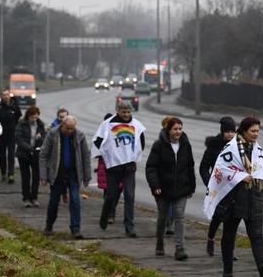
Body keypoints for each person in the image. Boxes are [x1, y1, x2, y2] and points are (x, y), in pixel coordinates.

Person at [204, 116, 263, 277]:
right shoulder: (231, 149)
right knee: (229, 235)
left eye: (258, 131)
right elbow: (221, 169)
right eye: (253, 131)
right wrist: (240, 176)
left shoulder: (258, 150)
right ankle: (227, 271)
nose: (256, 134)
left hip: (254, 198)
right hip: (233, 200)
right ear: (243, 131)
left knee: (257, 235)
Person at [146, 116, 196, 260]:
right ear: (168, 130)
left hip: (181, 188)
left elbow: (190, 166)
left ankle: (179, 248)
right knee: (163, 217)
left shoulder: (186, 145)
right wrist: (155, 185)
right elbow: (151, 167)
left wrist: (191, 187)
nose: (178, 132)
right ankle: (160, 243)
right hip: (163, 189)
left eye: (180, 129)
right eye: (175, 129)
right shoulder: (159, 145)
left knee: (179, 216)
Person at [95, 100, 146, 237]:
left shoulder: (136, 125)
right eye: (123, 112)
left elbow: (141, 142)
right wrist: (109, 155)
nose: (126, 114)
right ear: (118, 111)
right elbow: (98, 141)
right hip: (113, 167)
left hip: (129, 167)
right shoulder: (107, 125)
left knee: (129, 196)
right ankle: (104, 217)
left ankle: (129, 227)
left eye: (128, 112)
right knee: (111, 195)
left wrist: (133, 155)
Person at [40, 115, 91, 238]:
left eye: (72, 129)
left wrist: (86, 176)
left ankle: (75, 229)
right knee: (53, 201)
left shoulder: (80, 136)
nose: (69, 131)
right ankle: (49, 225)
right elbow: (43, 155)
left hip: (73, 174)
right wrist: (44, 176)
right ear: (62, 125)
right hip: (57, 174)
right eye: (67, 128)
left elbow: (85, 156)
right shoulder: (52, 134)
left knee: (75, 200)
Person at [199, 115, 237, 256]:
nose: (230, 134)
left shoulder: (238, 146)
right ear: (222, 131)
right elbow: (203, 167)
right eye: (227, 131)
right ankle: (210, 238)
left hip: (233, 187)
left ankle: (229, 251)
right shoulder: (214, 146)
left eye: (232, 131)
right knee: (218, 216)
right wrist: (209, 182)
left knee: (232, 220)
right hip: (217, 187)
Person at [15, 106, 46, 207]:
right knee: (25, 176)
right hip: (24, 153)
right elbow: (18, 139)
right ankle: (26, 198)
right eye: (32, 117)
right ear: (28, 116)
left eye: (36, 117)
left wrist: (39, 139)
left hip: (36, 153)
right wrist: (29, 148)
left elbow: (45, 139)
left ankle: (34, 197)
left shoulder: (40, 125)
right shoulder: (21, 124)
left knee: (36, 176)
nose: (34, 119)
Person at [0, 89, 22, 183]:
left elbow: (19, 118)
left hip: (12, 135)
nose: (6, 96)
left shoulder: (15, 107)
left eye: (7, 95)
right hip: (1, 135)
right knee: (2, 156)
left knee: (11, 155)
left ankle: (11, 174)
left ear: (10, 96)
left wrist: (16, 128)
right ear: (1, 96)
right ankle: (3, 174)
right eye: (4, 95)